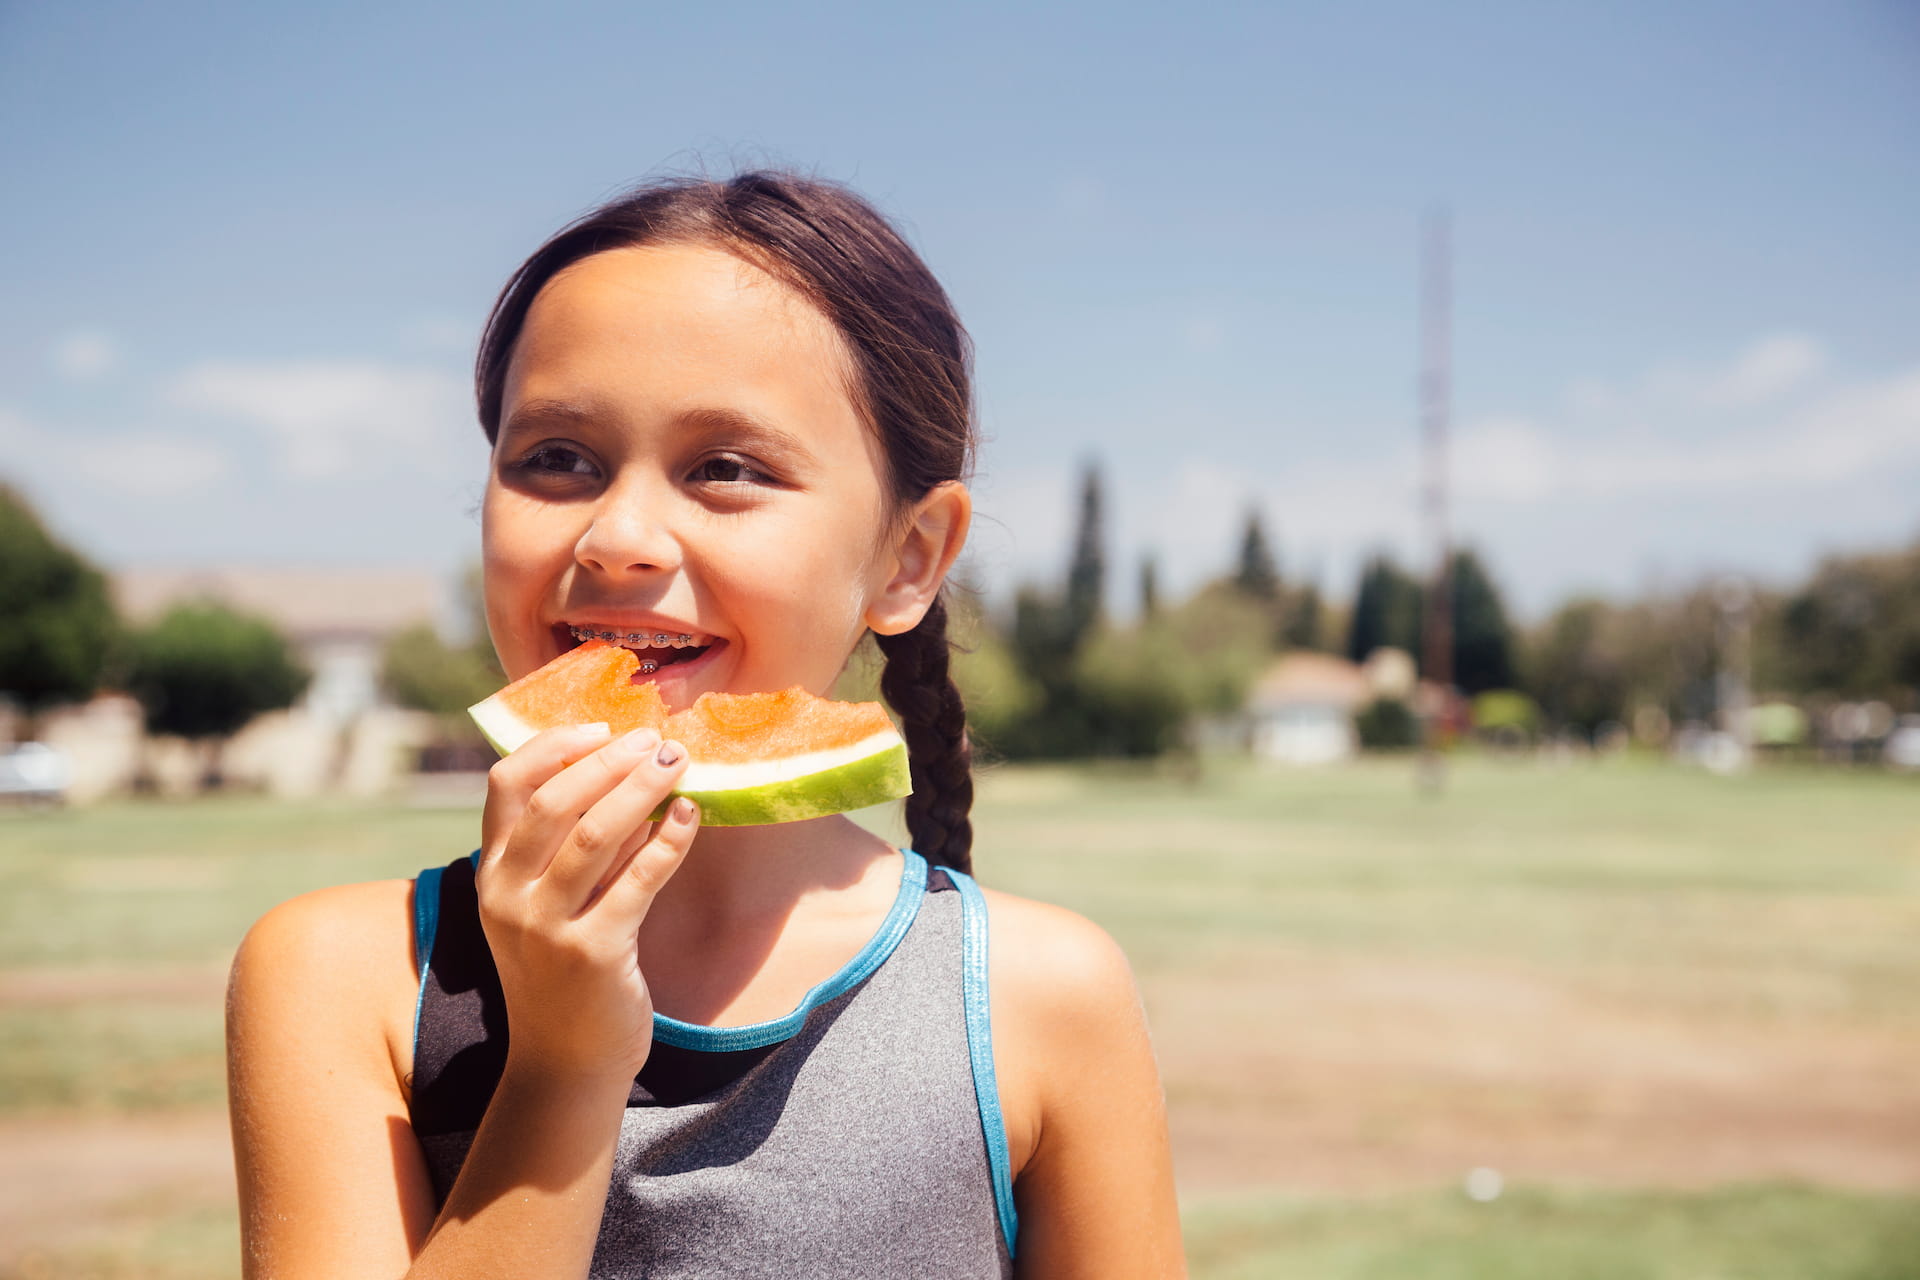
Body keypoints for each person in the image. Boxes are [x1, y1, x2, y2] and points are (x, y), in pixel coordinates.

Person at [225, 170, 1185, 1279]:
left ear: (909, 556)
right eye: (556, 458)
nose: (619, 534)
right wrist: (565, 1063)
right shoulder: (348, 977)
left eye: (725, 468)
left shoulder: (1043, 996)